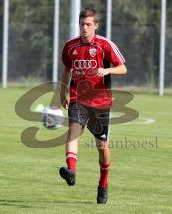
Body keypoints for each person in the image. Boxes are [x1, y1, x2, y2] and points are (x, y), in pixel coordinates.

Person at [59, 7, 127, 204]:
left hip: (100, 103)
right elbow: (66, 69)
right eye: (82, 24)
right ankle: (71, 170)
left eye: (88, 25)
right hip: (78, 99)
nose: (85, 28)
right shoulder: (70, 46)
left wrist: (107, 71)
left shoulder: (105, 45)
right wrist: (62, 92)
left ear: (96, 25)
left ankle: (103, 183)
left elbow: (123, 68)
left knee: (102, 146)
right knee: (72, 133)